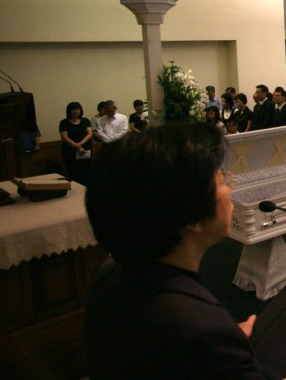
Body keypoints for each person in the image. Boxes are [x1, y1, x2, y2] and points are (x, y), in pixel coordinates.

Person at [84, 122, 264, 378]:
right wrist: (225, 348)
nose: (230, 188)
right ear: (191, 217)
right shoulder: (208, 333)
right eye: (221, 180)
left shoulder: (109, 272)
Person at [59, 101, 93, 184]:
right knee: (73, 171)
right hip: (70, 150)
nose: (76, 111)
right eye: (73, 109)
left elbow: (89, 133)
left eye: (77, 109)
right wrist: (75, 145)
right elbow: (64, 137)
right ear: (69, 111)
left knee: (86, 170)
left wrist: (81, 143)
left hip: (85, 148)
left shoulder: (85, 120)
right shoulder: (64, 122)